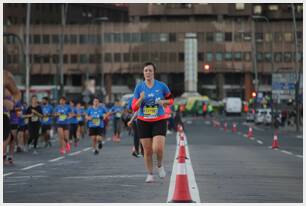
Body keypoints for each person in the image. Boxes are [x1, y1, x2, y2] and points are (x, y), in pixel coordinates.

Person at [132, 62, 174, 183]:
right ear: (143, 73)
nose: (148, 73)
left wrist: (163, 102)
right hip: (143, 121)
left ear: (154, 72)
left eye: (150, 70)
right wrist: (141, 98)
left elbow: (171, 100)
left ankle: (160, 165)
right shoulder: (139, 87)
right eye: (146, 70)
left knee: (158, 148)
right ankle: (150, 174)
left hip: (159, 120)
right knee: (148, 150)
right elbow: (134, 108)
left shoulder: (161, 86)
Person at [3, 70, 21, 164]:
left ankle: (9, 155)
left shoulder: (13, 98)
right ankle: (4, 155)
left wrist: (15, 108)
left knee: (11, 137)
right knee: (7, 138)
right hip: (7, 118)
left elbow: (19, 109)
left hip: (13, 119)